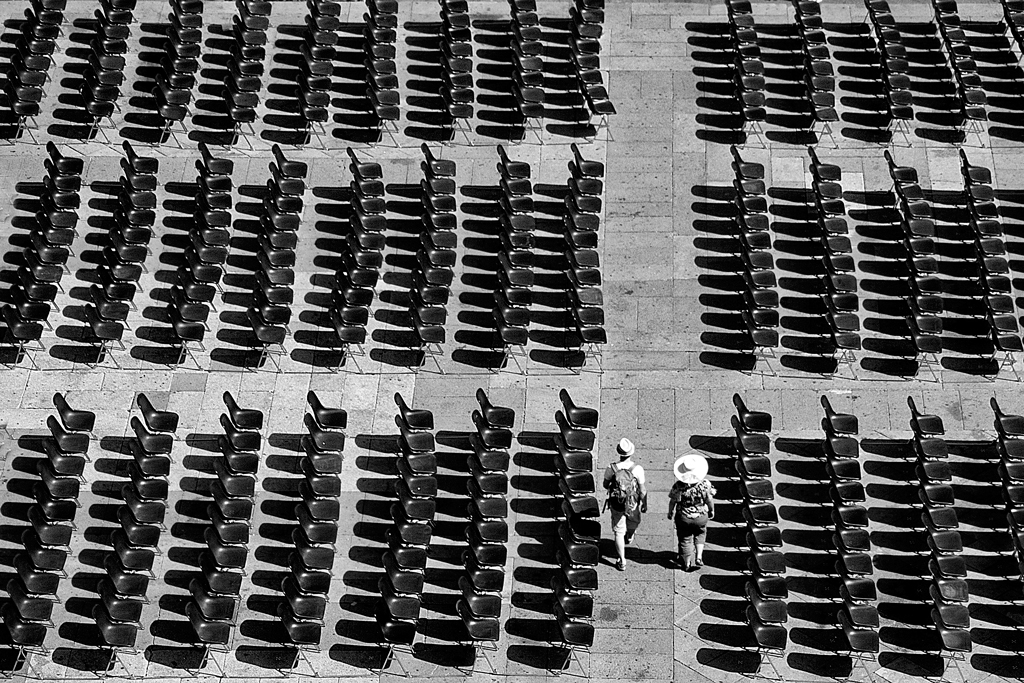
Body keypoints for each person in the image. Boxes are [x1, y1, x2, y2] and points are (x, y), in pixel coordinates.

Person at [603, 438, 647, 572]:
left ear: (619, 452)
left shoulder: (611, 468)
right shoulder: (637, 469)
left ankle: (622, 560)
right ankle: (630, 536)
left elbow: (605, 485)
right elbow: (643, 489)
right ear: (631, 453)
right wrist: (644, 503)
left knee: (618, 532)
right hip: (632, 502)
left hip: (617, 503)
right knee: (634, 521)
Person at [667, 453, 715, 571]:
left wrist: (670, 512)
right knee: (700, 533)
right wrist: (711, 510)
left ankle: (686, 563)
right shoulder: (705, 485)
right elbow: (709, 500)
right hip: (701, 515)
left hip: (684, 516)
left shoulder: (678, 486)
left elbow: (673, 501)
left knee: (685, 539)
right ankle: (699, 556)